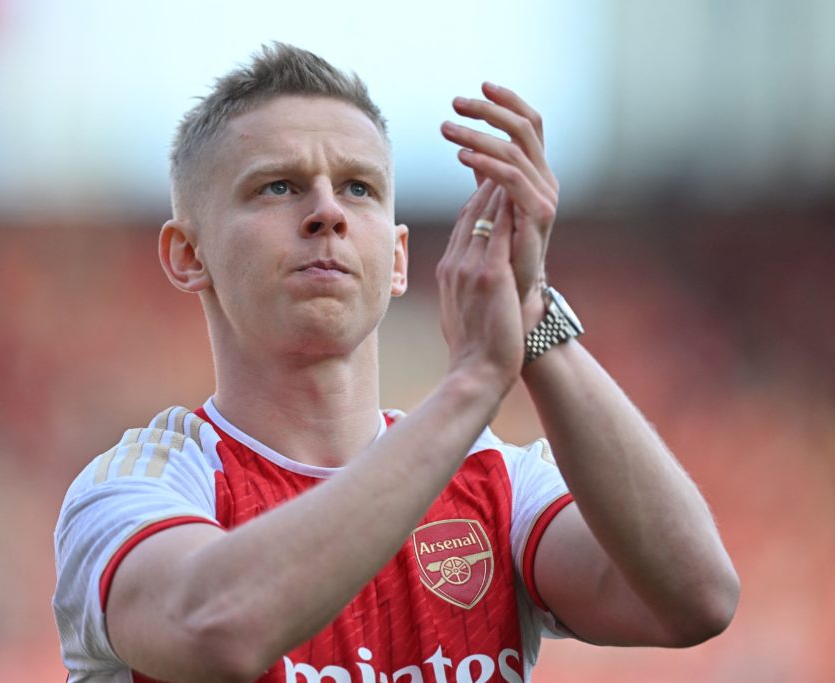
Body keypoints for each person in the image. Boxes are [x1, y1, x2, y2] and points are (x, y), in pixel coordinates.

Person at [52, 43, 739, 683]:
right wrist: (471, 384)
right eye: (278, 187)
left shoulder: (496, 480)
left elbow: (696, 598)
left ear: (399, 257)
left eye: (358, 188)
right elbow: (218, 627)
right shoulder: (136, 486)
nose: (327, 212)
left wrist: (530, 309)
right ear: (187, 254)